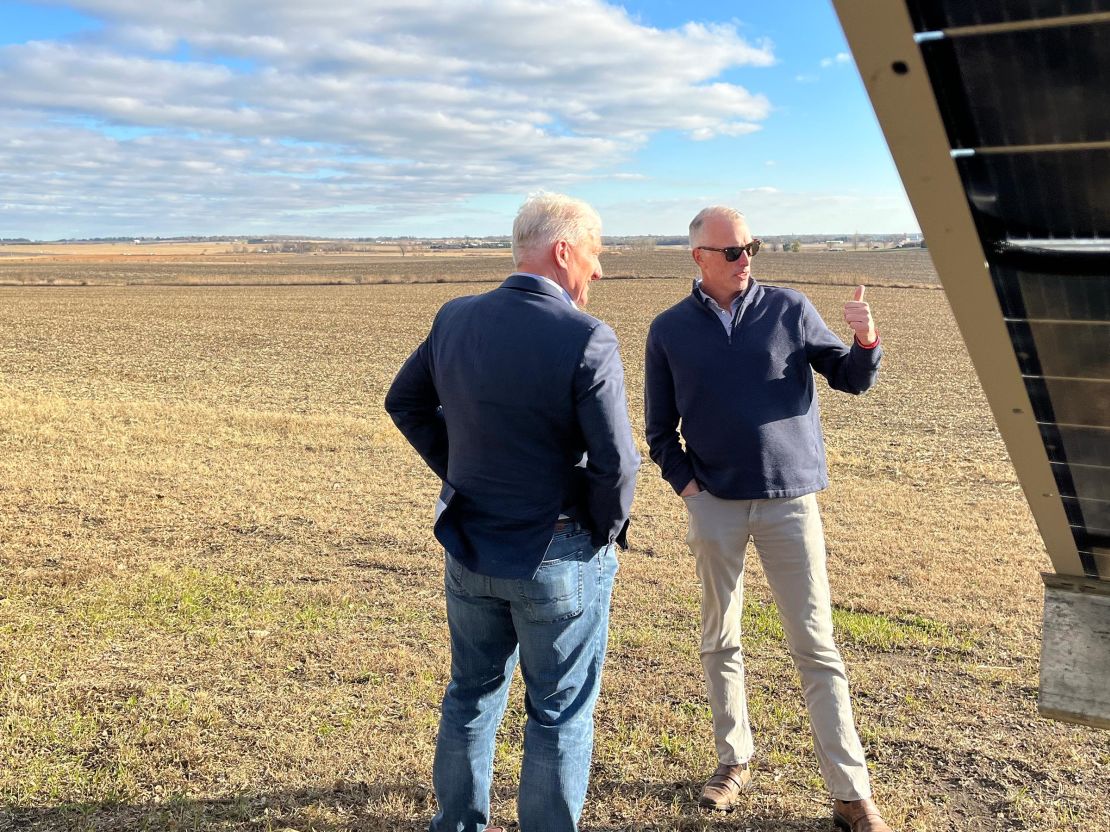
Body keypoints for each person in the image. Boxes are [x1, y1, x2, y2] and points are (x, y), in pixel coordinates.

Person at [385, 192, 640, 832]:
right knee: (558, 711)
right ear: (563, 251)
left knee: (470, 692)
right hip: (556, 551)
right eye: (596, 252)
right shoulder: (587, 336)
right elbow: (618, 466)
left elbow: (406, 403)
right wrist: (602, 531)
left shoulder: (455, 319)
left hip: (470, 542)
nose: (600, 269)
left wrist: (463, 473)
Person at [644, 206, 892, 832]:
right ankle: (734, 761)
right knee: (719, 636)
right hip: (715, 506)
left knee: (816, 645)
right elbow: (658, 430)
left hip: (789, 501)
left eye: (750, 246)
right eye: (730, 250)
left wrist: (864, 339)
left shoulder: (789, 307)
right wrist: (690, 488)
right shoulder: (668, 329)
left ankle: (850, 792)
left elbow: (852, 380)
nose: (745, 257)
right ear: (698, 256)